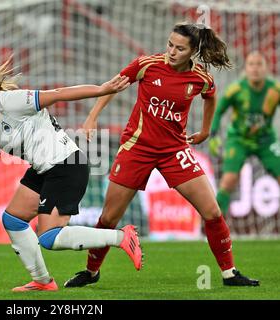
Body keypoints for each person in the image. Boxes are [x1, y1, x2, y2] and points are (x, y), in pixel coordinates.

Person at [64, 22, 260, 288]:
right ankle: (91, 271)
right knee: (109, 218)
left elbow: (211, 97)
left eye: (180, 48)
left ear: (192, 51)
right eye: (170, 44)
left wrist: (204, 131)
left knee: (212, 211)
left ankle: (229, 273)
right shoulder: (147, 64)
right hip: (137, 148)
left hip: (174, 150)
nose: (171, 51)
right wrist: (91, 117)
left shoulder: (200, 78)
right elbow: (111, 86)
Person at [0, 58, 143, 292]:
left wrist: (101, 89)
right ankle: (42, 281)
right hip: (43, 170)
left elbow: (58, 93)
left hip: (67, 164)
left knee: (48, 237)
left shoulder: (11, 101)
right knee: (13, 219)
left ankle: (121, 237)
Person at [209, 51, 280, 216]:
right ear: (246, 69)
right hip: (239, 139)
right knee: (228, 181)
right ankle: (214, 227)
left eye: (259, 64)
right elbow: (218, 110)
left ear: (266, 68)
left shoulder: (275, 90)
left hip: (266, 140)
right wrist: (213, 135)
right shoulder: (236, 89)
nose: (255, 69)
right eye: (251, 64)